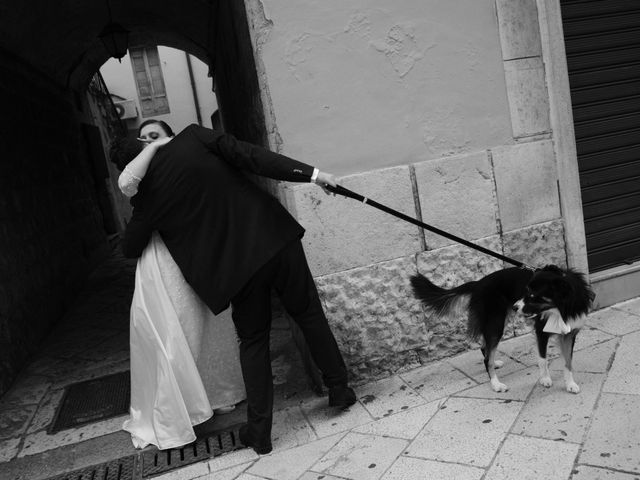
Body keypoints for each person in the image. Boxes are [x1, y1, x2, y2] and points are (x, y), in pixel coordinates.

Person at [119, 120, 356, 455]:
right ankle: (339, 388)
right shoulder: (195, 137)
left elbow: (130, 247)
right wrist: (314, 175)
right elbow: (251, 156)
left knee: (253, 341)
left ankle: (259, 431)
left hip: (237, 269)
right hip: (274, 237)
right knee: (308, 313)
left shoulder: (147, 195)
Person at [110, 120, 246, 451]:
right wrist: (156, 146)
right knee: (178, 331)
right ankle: (184, 406)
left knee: (211, 324)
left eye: (156, 135)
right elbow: (128, 187)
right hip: (164, 263)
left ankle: (218, 393)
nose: (151, 142)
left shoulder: (185, 166)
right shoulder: (143, 181)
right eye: (145, 138)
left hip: (198, 253)